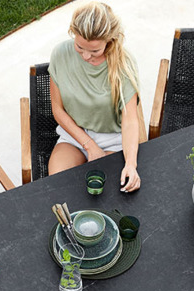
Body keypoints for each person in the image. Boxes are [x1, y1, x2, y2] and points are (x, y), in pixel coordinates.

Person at [47, 1, 142, 192]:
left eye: (94, 51)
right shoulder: (60, 54)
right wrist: (89, 145)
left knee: (104, 193)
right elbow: (57, 109)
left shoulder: (124, 65)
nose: (85, 56)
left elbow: (130, 120)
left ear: (110, 41)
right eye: (79, 47)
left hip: (112, 139)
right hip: (74, 134)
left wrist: (131, 164)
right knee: (58, 186)